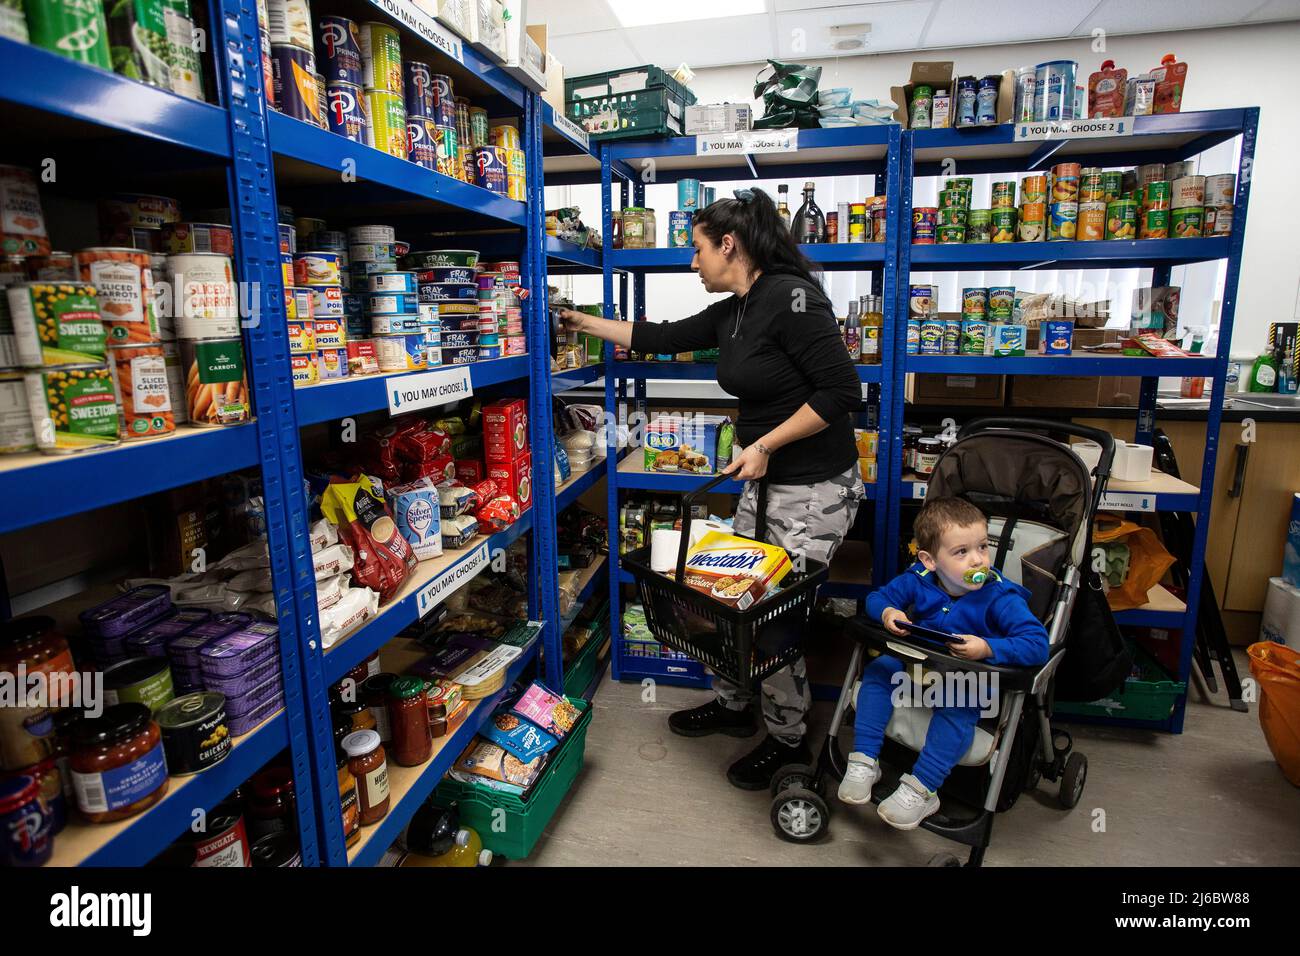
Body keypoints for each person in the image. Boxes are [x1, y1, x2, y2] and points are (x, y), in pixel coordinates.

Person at [557, 187, 865, 790]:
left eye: (698, 249)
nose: (691, 262)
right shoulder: (737, 308)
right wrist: (580, 320)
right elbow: (659, 337)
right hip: (767, 479)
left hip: (814, 487)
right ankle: (733, 705)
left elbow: (841, 393)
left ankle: (787, 738)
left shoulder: (794, 300)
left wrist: (766, 444)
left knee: (771, 612)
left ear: (731, 245)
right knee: (723, 595)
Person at [838, 496, 1049, 828]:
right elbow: (878, 598)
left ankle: (922, 788)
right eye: (961, 552)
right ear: (930, 560)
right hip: (917, 667)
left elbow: (1037, 644)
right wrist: (890, 612)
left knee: (961, 701)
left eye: (982, 547)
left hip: (965, 679)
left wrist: (987, 648)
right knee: (880, 670)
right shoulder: (918, 578)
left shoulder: (1000, 597)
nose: (978, 560)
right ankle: (865, 759)